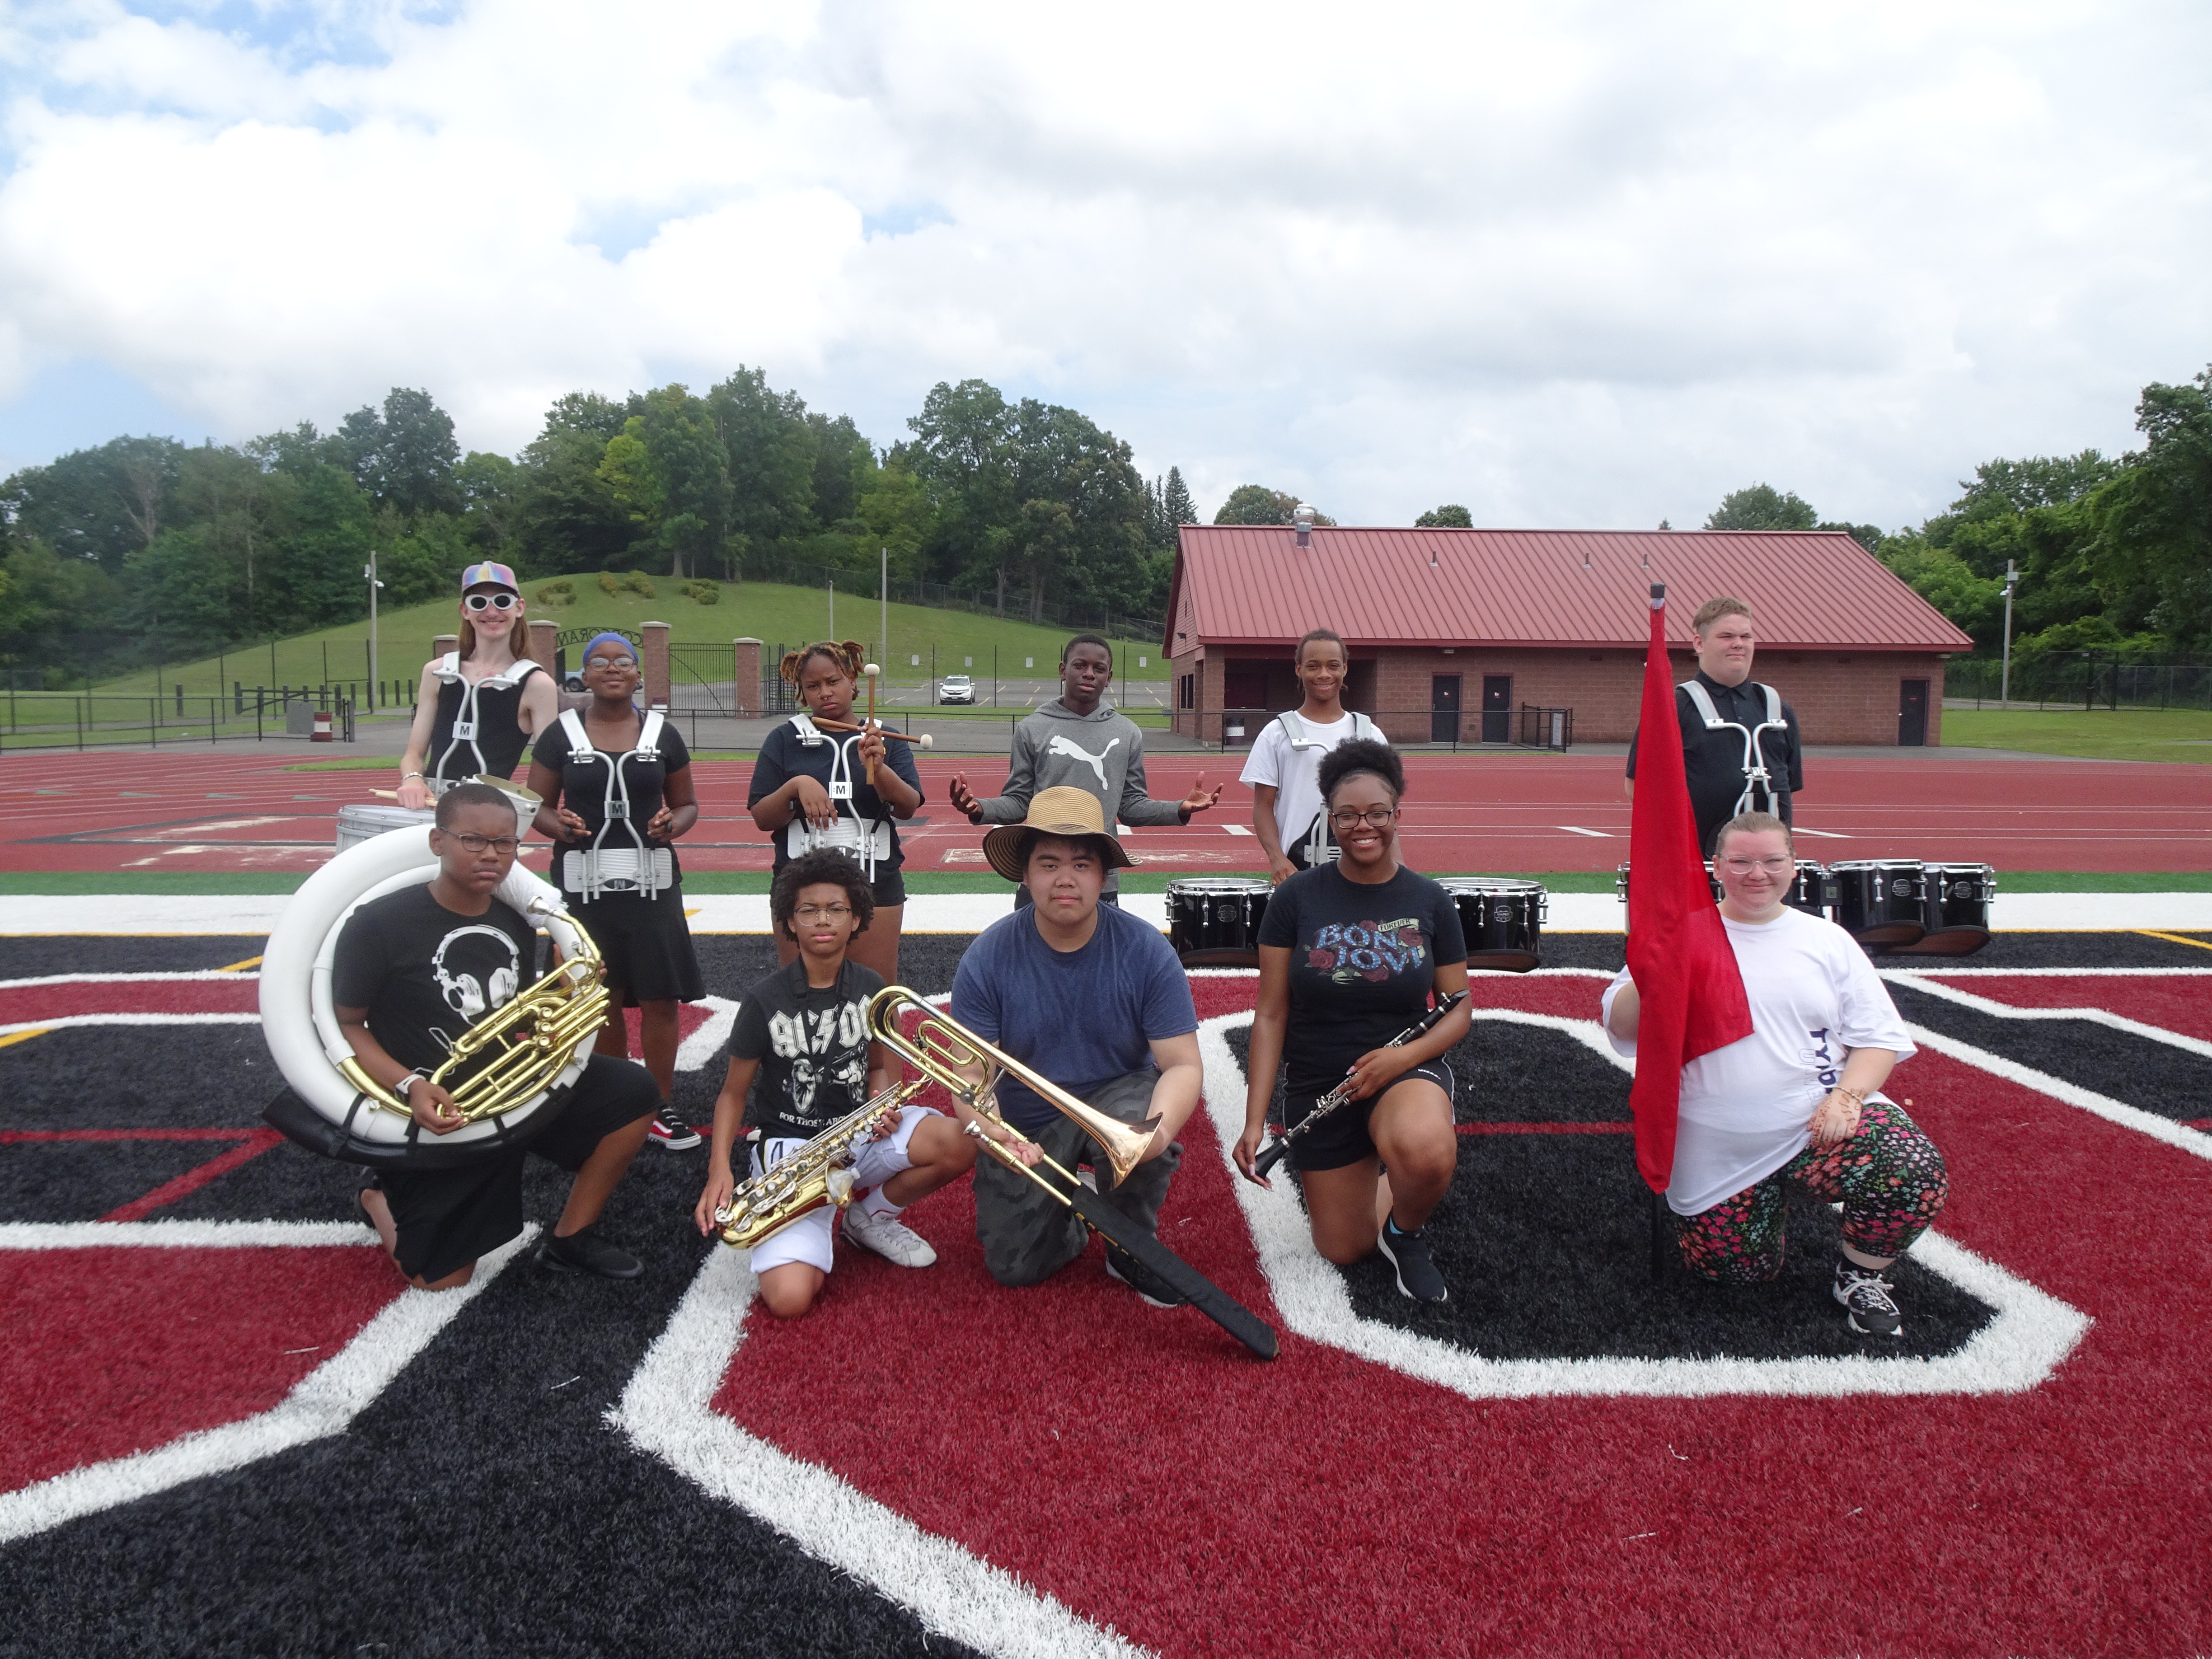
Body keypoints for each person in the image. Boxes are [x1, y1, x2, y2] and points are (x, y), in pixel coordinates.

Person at [1601, 810, 1947, 1336]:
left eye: (1771, 861)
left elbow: (1878, 1039)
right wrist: (1655, 962)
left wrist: (1848, 1098)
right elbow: (1622, 1027)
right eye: (1740, 861)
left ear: (1793, 866)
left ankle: (1860, 1276)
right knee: (1734, 1274)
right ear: (1716, 865)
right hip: (1720, 1142)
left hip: (1815, 1126)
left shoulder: (1826, 940)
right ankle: (1757, 1215)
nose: (1756, 874)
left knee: (1910, 1167)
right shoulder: (1680, 934)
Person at [337, 783, 659, 1288]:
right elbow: (348, 1024)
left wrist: (570, 998)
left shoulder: (514, 919)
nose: (491, 855)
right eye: (473, 840)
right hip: (440, 1103)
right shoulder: (379, 922)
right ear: (437, 842)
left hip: (510, 1087)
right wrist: (409, 1086)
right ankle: (376, 1193)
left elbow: (517, 1013)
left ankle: (571, 1236)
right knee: (440, 1280)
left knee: (635, 1091)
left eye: (505, 844)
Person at [1232, 739, 1472, 1303]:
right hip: (1322, 1080)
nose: (1363, 826)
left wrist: (1401, 1058)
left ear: (1396, 814)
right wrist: (1254, 1121)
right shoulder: (1294, 898)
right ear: (1328, 818)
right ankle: (1387, 1180)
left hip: (1402, 1071)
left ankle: (1406, 1232)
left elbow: (1459, 1008)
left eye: (1377, 814)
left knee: (1427, 1148)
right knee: (1343, 1247)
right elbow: (1271, 1013)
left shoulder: (1431, 900)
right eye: (1347, 815)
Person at [691, 849, 978, 1318]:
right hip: (794, 1151)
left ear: (857, 918)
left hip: (858, 1134)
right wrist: (719, 1169)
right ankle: (813, 1226)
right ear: (789, 921)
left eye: (836, 909)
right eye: (809, 910)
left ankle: (869, 1218)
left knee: (959, 1139)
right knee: (788, 1301)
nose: (823, 920)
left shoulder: (871, 986)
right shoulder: (764, 1000)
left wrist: (881, 1102)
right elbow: (733, 1094)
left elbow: (878, 1070)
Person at [949, 788, 1201, 1303]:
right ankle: (1075, 1217)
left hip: (1115, 1100)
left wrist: (1157, 1130)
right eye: (1048, 864)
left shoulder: (1147, 950)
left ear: (1103, 875)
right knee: (1014, 1268)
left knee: (1141, 1127)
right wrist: (995, 1135)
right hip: (1026, 1125)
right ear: (1025, 875)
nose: (1065, 879)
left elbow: (1181, 1065)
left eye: (1082, 864)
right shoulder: (986, 957)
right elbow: (971, 1077)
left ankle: (1129, 1244)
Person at [526, 632, 705, 1153]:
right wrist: (556, 825)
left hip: (653, 889)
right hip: (584, 891)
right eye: (599, 662)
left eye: (622, 661)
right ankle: (617, 1098)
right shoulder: (559, 736)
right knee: (598, 995)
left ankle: (659, 1102)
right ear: (584, 674)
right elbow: (534, 806)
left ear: (636, 673)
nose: (612, 669)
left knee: (659, 995)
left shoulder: (662, 733)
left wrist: (677, 822)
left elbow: (689, 804)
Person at [948, 632, 1222, 907]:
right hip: (1043, 871)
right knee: (1032, 950)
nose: (1089, 674)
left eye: (1099, 668)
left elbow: (1130, 807)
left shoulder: (1127, 733)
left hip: (1098, 871)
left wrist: (1180, 809)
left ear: (1109, 677)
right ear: (1063, 671)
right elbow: (1020, 802)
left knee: (1100, 950)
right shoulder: (1032, 729)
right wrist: (979, 808)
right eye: (1080, 665)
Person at [745, 640, 923, 986]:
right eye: (813, 686)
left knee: (878, 996)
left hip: (875, 882)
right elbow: (763, 817)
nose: (824, 692)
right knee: (801, 994)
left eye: (833, 681)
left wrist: (880, 767)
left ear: (854, 682)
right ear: (801, 692)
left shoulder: (882, 735)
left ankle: (880, 1046)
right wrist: (797, 785)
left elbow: (908, 807)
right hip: (799, 884)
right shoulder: (784, 739)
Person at [1624, 597, 1806, 856]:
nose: (1739, 644)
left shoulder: (1779, 711)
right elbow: (1638, 786)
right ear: (1699, 643)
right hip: (1697, 865)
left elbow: (1788, 785)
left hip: (1766, 867)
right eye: (1727, 636)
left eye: (1746, 636)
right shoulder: (1673, 708)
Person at [395, 563, 559, 808]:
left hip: (489, 818)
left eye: (502, 601)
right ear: (465, 610)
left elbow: (551, 768)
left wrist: (508, 800)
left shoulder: (537, 684)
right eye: (479, 603)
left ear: (519, 608)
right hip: (432, 810)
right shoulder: (437, 672)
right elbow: (413, 755)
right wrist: (413, 780)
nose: (491, 612)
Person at [1239, 628, 1384, 883]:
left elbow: (1386, 812)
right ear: (1299, 670)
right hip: (1296, 872)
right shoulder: (1276, 733)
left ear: (1345, 669)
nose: (1324, 674)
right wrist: (1277, 859)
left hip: (1360, 871)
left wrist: (1396, 866)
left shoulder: (1369, 734)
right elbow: (1263, 807)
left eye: (1333, 666)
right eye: (1313, 666)